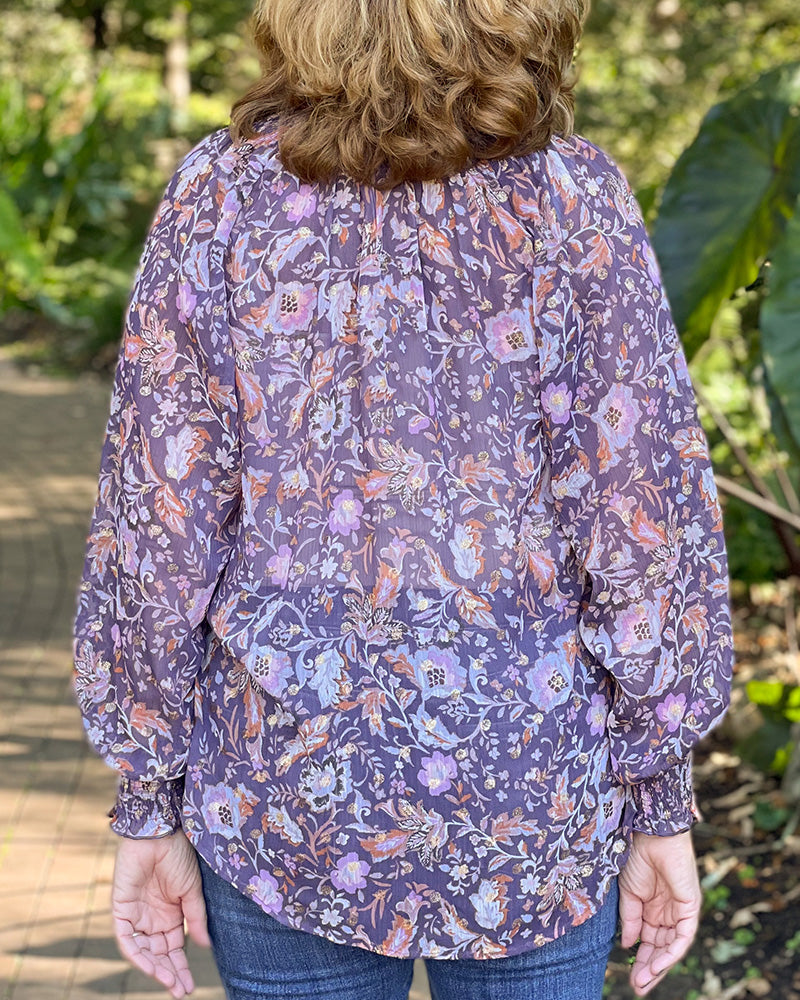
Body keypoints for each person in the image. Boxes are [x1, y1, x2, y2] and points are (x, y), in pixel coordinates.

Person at [71, 1, 735, 998]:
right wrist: (659, 800)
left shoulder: (219, 197)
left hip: (285, 798)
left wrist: (146, 803)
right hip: (529, 803)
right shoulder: (570, 200)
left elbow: (158, 524)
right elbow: (642, 522)